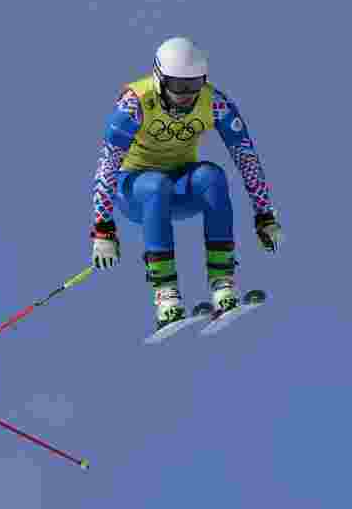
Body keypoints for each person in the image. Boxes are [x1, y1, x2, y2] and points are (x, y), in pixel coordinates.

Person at [89, 36, 284, 330]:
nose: (186, 96)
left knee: (212, 176)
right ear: (159, 79)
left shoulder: (214, 102)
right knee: (156, 185)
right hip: (135, 191)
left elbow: (246, 158)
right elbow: (107, 165)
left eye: (194, 85)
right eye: (178, 86)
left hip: (179, 186)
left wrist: (265, 215)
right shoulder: (135, 104)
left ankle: (222, 283)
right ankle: (166, 295)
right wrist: (103, 229)